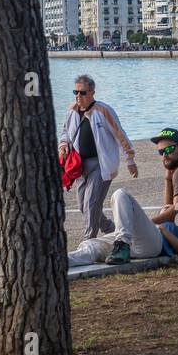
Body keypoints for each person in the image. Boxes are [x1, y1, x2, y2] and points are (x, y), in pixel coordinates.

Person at [83, 127, 178, 266]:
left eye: (169, 150)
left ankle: (119, 245)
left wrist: (151, 223)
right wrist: (168, 180)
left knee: (120, 194)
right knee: (96, 244)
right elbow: (171, 210)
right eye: (161, 152)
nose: (165, 155)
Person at [58, 74, 136, 241]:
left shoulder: (103, 110)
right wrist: (63, 146)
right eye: (76, 92)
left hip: (101, 164)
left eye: (82, 93)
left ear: (92, 92)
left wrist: (130, 159)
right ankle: (111, 229)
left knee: (91, 204)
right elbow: (65, 132)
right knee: (82, 205)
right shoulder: (72, 111)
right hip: (79, 165)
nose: (78, 96)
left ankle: (89, 241)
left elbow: (120, 135)